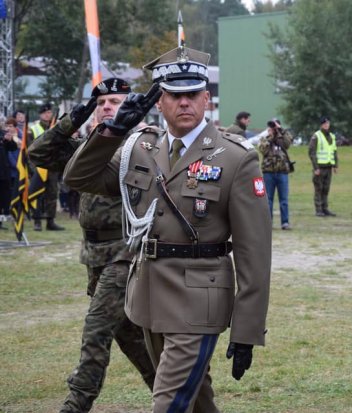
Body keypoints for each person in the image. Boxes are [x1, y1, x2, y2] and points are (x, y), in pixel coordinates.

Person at [64, 45, 272, 413]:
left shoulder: (236, 158)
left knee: (169, 402)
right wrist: (111, 131)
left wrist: (247, 328)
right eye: (175, 95)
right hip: (148, 295)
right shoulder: (139, 148)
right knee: (196, 399)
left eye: (193, 94)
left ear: (207, 99)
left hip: (200, 300)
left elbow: (254, 253)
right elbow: (78, 176)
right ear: (159, 102)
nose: (185, 102)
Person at [29, 78, 156, 413]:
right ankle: (177, 394)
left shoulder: (138, 148)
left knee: (96, 329)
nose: (106, 108)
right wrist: (77, 116)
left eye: (113, 102)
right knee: (130, 337)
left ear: (130, 105)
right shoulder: (88, 149)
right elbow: (38, 152)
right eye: (101, 103)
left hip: (124, 254)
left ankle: (76, 404)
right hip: (95, 256)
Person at [29, 102, 64, 231]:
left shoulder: (54, 127)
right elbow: (29, 151)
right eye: (45, 113)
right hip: (38, 168)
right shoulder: (33, 129)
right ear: (40, 114)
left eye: (49, 112)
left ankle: (51, 221)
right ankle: (37, 222)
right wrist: (32, 169)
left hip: (52, 168)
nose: (47, 115)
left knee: (52, 194)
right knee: (37, 195)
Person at [258, 118, 293, 229]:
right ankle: (268, 223)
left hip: (282, 172)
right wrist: (271, 136)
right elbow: (263, 150)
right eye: (271, 126)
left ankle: (285, 222)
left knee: (284, 200)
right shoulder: (265, 138)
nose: (272, 128)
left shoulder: (283, 137)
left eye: (274, 125)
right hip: (269, 172)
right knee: (268, 199)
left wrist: (280, 131)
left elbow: (288, 144)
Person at [308, 115, 338, 217]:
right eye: (325, 124)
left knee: (326, 189)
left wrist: (335, 165)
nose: (326, 125)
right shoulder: (316, 136)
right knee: (318, 188)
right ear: (321, 125)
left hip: (328, 167)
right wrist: (316, 167)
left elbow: (334, 151)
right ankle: (318, 209)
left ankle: (325, 209)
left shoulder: (332, 136)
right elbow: (312, 152)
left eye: (328, 123)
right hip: (320, 167)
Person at [0, 118, 18, 228]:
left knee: (4, 197)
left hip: (4, 171)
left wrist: (9, 140)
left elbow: (13, 147)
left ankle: (1, 220)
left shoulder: (3, 133)